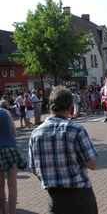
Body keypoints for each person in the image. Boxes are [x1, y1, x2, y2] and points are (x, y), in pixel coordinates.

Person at [28, 86, 99, 214]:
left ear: (49, 106)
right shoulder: (76, 130)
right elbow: (93, 164)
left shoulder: (35, 134)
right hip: (80, 197)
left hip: (54, 199)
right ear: (70, 107)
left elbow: (34, 169)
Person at [0, 108, 27, 214]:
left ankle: (4, 212)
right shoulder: (6, 112)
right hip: (10, 148)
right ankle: (12, 212)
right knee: (12, 184)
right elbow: (15, 133)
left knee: (0, 185)